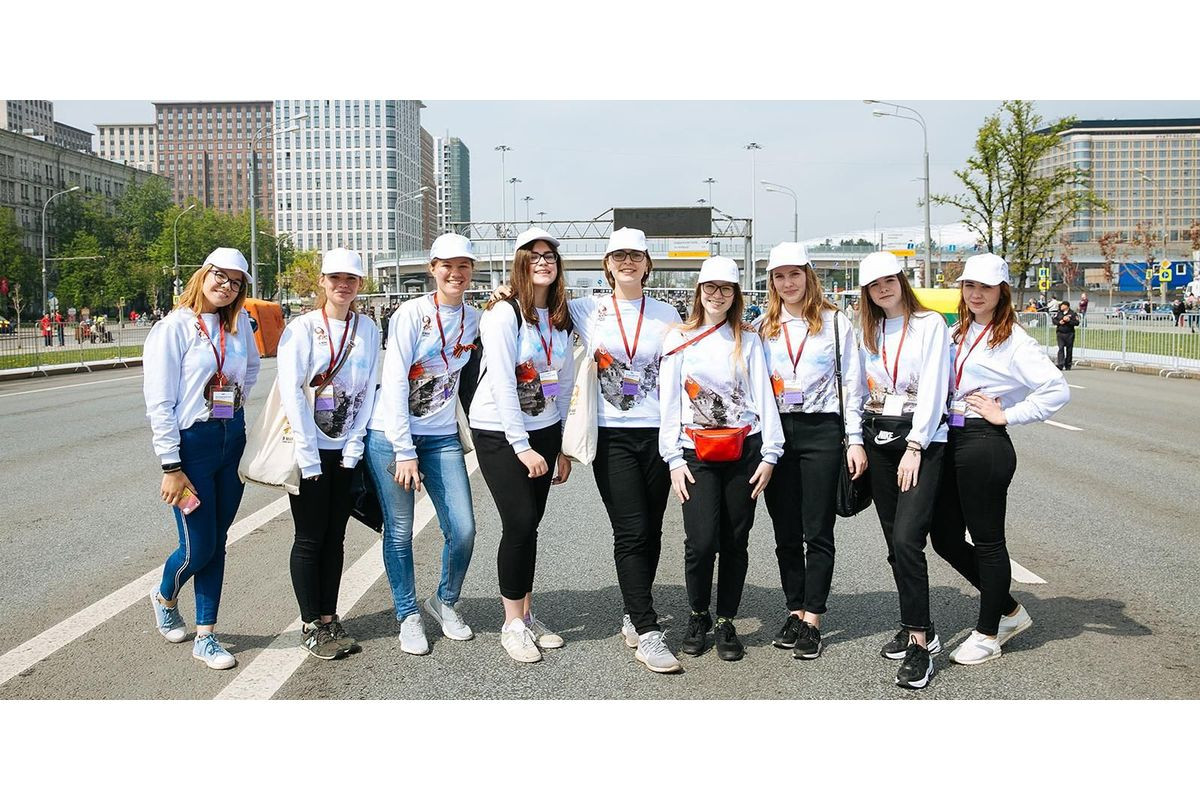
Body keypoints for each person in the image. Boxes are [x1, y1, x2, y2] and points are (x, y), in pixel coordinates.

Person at [931, 254, 1069, 665]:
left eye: (985, 287)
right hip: (949, 439)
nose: (976, 294)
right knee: (944, 538)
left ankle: (988, 634)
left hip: (983, 443)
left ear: (1001, 291)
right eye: (969, 285)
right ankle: (1009, 609)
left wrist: (1006, 414)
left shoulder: (1014, 341)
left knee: (988, 540)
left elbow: (1056, 390)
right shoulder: (957, 331)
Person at [564, 227, 684, 673]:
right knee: (631, 530)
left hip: (658, 435)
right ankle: (648, 630)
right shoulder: (587, 309)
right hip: (612, 436)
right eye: (619, 256)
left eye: (636, 256)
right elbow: (536, 305)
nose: (627, 262)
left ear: (647, 264)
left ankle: (635, 612)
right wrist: (503, 295)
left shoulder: (667, 313)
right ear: (607, 266)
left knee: (651, 529)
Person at [659, 256, 784, 662]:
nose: (717, 295)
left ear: (735, 295)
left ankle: (726, 620)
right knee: (700, 542)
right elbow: (668, 403)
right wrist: (673, 458)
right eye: (710, 288)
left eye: (725, 289)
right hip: (694, 452)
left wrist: (770, 453)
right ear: (699, 291)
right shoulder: (678, 338)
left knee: (735, 540)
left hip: (744, 451)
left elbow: (763, 395)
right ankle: (698, 614)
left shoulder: (748, 339)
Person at [142, 248, 260, 669]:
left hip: (231, 438)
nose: (225, 286)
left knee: (218, 541)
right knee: (198, 548)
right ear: (202, 274)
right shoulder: (172, 329)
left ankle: (206, 635)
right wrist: (170, 465)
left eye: (235, 282)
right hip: (192, 447)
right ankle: (165, 595)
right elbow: (160, 402)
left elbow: (251, 370)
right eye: (219, 276)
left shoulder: (239, 326)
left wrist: (232, 402)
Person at [366, 234, 480, 656]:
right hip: (392, 436)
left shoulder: (475, 319)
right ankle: (407, 613)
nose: (455, 273)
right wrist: (404, 450)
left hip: (442, 436)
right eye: (447, 265)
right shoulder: (411, 314)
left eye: (463, 266)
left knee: (463, 529)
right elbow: (395, 379)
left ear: (472, 271)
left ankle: (444, 600)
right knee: (399, 531)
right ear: (433, 268)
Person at [754, 243, 867, 660]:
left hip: (822, 431)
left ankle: (814, 618)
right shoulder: (761, 326)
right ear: (772, 282)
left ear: (808, 276)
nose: (788, 283)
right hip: (777, 433)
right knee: (785, 531)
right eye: (780, 277)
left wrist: (854, 439)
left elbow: (853, 383)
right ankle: (795, 610)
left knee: (817, 530)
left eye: (795, 275)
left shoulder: (835, 323)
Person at [469, 227, 575, 663]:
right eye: (534, 256)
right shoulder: (503, 314)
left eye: (550, 256)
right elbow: (501, 383)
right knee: (519, 522)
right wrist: (521, 445)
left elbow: (563, 383)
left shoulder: (561, 315)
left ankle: (527, 616)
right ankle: (511, 624)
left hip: (545, 429)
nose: (543, 262)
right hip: (499, 430)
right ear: (520, 264)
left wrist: (560, 445)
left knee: (531, 526)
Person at [277, 248, 380, 660]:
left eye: (351, 279)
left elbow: (368, 388)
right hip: (311, 450)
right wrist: (308, 456)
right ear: (322, 281)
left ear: (360, 285)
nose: (343, 285)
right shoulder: (302, 329)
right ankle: (310, 624)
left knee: (335, 537)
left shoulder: (367, 328)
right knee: (309, 537)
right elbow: (292, 393)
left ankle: (329, 617)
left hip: (345, 451)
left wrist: (354, 446)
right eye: (335, 278)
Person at [856, 251, 950, 690]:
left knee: (908, 540)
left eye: (889, 281)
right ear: (867, 293)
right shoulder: (868, 330)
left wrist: (916, 445)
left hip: (920, 442)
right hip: (879, 440)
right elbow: (858, 388)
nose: (883, 289)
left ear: (901, 280)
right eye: (874, 285)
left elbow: (934, 387)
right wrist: (854, 440)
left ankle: (919, 646)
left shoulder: (930, 324)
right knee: (895, 543)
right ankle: (917, 624)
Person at [1052, 300, 1079, 370]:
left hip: (1069, 333)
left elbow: (1076, 323)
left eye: (1062, 305)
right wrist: (1059, 322)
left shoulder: (1072, 313)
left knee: (1069, 350)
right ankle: (1060, 364)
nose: (1061, 307)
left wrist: (1069, 320)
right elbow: (1054, 320)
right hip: (1060, 333)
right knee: (1060, 348)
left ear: (1066, 306)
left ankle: (1068, 365)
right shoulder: (1059, 313)